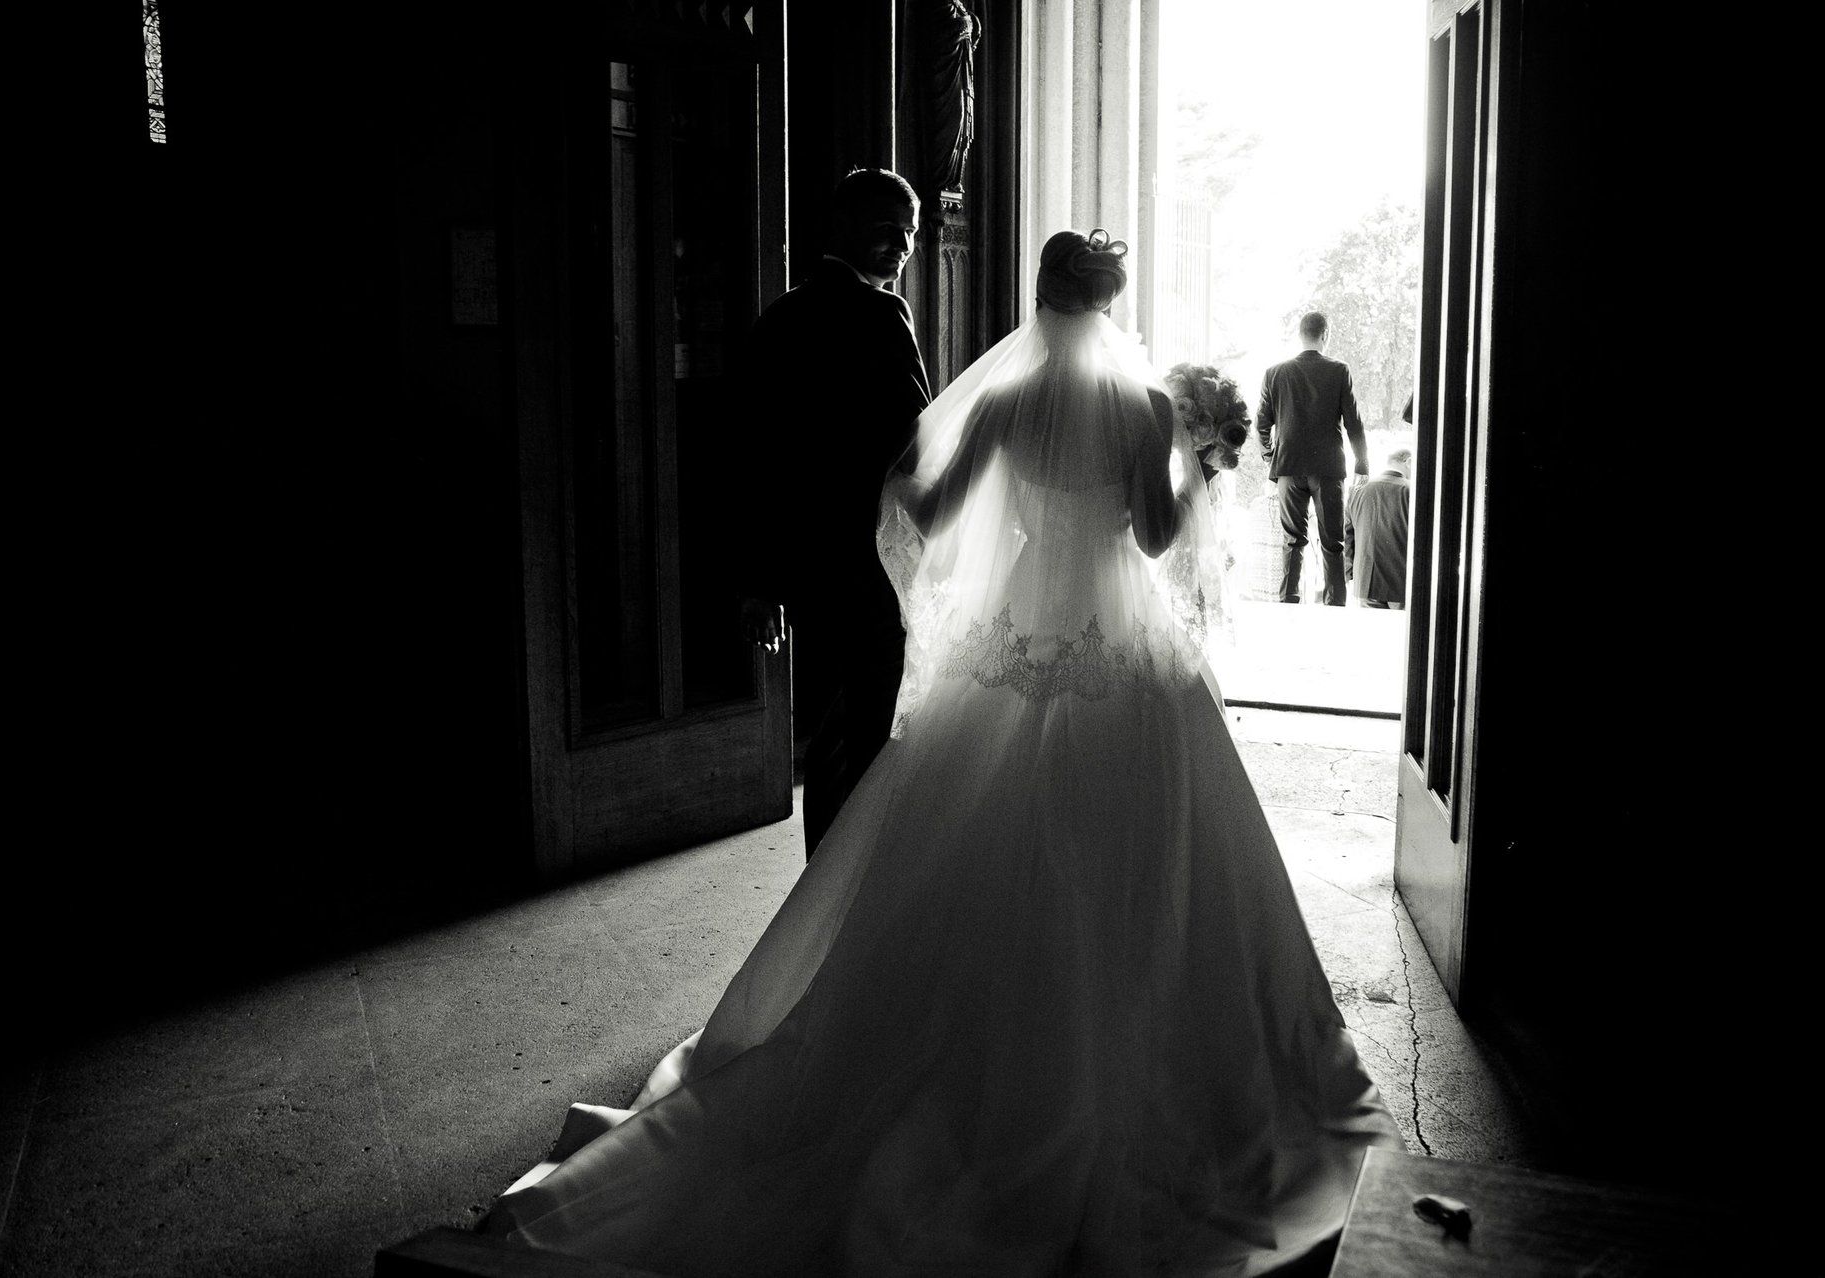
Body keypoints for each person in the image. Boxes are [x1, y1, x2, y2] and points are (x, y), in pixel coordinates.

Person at [485, 231, 1400, 1273]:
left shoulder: (1004, 405)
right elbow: (1151, 539)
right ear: (1112, 306)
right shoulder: (1144, 411)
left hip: (1012, 649)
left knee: (960, 854)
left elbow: (917, 509)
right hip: (1119, 654)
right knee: (1152, 864)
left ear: (1041, 302)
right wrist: (1196, 476)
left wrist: (962, 588)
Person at [740, 168, 933, 859]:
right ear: (842, 224)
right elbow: (918, 435)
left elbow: (752, 457)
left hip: (804, 563)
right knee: (865, 728)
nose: (901, 245)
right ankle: (849, 877)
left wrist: (760, 579)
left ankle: (824, 867)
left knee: (827, 730)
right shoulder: (883, 315)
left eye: (909, 233)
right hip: (867, 556)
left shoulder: (778, 316)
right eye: (885, 229)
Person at [1256, 312, 1369, 605]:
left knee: (1292, 541)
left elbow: (1261, 424)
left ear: (1300, 335)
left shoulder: (1275, 373)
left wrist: (1271, 455)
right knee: (1333, 543)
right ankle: (1335, 607)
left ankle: (1288, 603)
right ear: (1325, 335)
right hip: (1328, 468)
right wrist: (1362, 463)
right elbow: (1353, 421)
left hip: (1288, 468)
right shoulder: (1339, 370)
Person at [1345, 448, 1413, 610]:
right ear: (1409, 462)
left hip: (1366, 581)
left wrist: (1349, 572)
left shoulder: (1357, 491)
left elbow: (1348, 536)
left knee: (1373, 632)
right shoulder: (1411, 491)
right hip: (1402, 582)